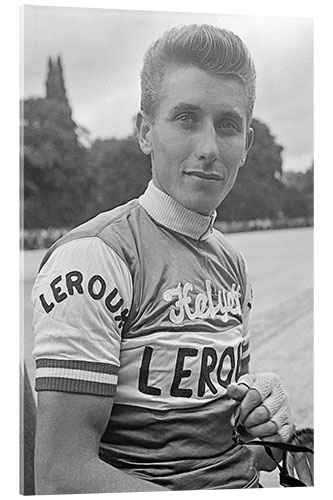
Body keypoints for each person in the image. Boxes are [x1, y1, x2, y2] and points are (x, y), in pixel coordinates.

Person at [31, 24, 295, 493]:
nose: (209, 148)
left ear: (247, 146)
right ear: (145, 132)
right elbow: (61, 477)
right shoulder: (95, 257)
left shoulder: (232, 262)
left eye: (227, 125)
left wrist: (264, 425)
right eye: (186, 118)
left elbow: (228, 447)